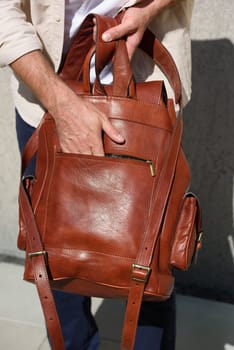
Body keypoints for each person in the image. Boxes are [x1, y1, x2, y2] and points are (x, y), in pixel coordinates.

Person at [0, 0, 194, 349]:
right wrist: (62, 106)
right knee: (56, 253)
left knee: (152, 263)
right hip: (45, 94)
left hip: (148, 98)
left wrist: (149, 10)